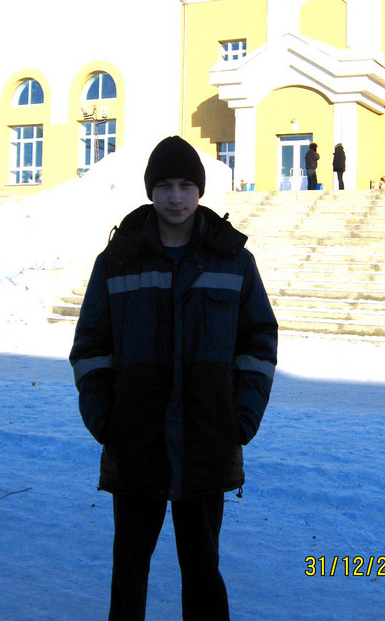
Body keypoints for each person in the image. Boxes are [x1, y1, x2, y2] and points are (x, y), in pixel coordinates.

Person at [69, 135, 278, 621]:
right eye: (164, 185)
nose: (176, 197)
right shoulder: (117, 260)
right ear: (150, 191)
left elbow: (259, 341)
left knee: (204, 572)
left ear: (200, 190)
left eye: (186, 184)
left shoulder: (234, 260)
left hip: (207, 439)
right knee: (129, 574)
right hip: (136, 440)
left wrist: (239, 418)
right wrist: (107, 420)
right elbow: (90, 345)